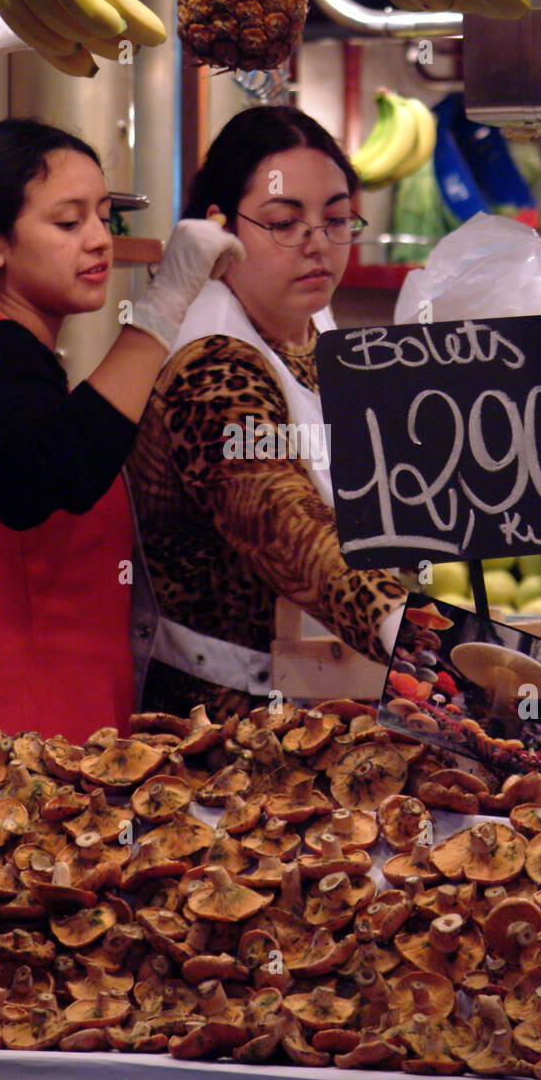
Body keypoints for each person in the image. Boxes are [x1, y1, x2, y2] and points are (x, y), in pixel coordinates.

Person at [0, 118, 243, 742]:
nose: (100, 240)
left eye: (105, 216)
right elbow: (62, 470)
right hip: (7, 742)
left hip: (16, 730)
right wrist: (165, 303)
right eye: (68, 222)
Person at [128, 105, 408, 722]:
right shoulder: (210, 367)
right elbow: (289, 528)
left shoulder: (310, 327)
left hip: (323, 691)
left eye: (336, 220)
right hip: (217, 729)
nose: (318, 244)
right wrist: (416, 644)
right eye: (284, 223)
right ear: (218, 232)